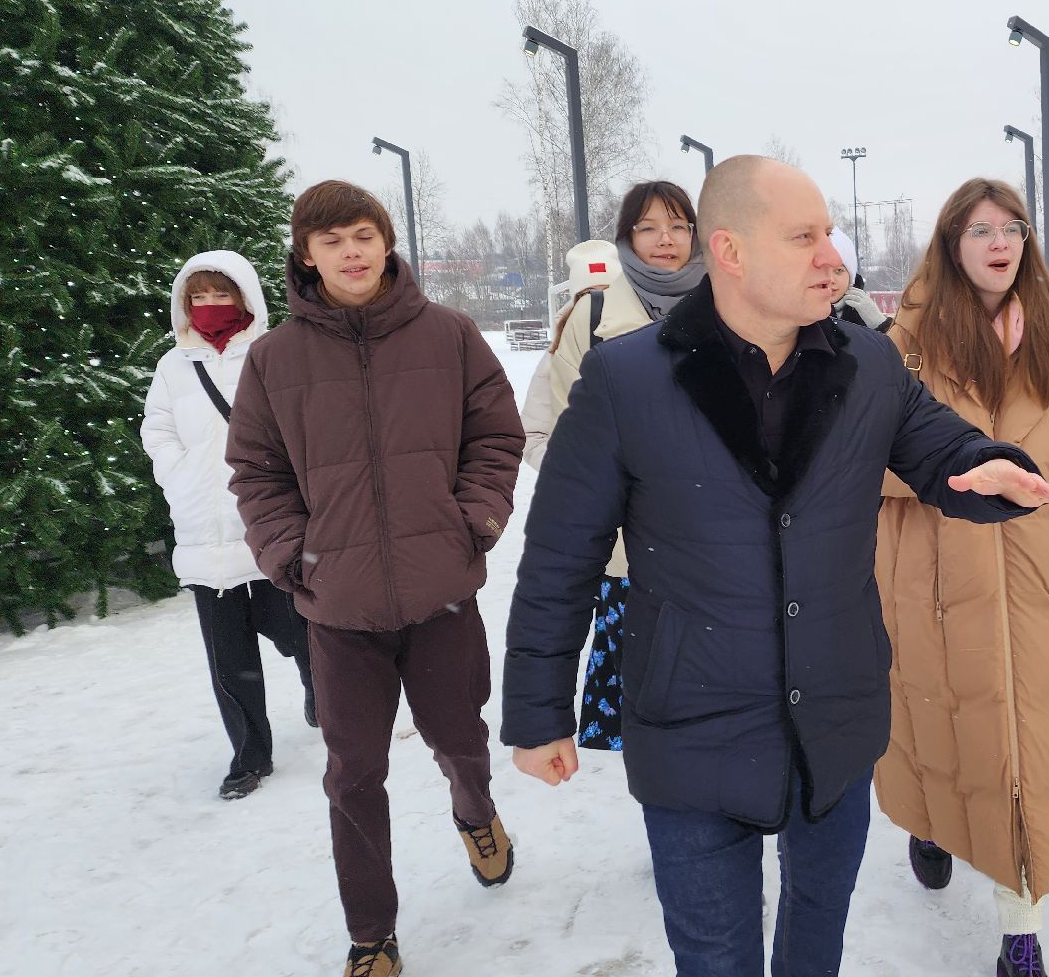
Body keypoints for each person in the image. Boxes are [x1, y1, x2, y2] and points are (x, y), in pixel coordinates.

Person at [501, 156, 1049, 977]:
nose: (831, 258)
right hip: (692, 725)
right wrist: (537, 711)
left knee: (816, 935)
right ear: (730, 252)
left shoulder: (867, 362)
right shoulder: (627, 379)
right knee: (714, 957)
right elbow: (561, 554)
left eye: (828, 234)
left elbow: (940, 446)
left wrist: (989, 467)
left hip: (835, 716)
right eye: (804, 238)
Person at [226, 180, 524, 977]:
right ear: (305, 254)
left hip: (441, 594)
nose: (351, 252)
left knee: (459, 739)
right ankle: (372, 934)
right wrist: (292, 555)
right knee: (354, 774)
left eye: (363, 234)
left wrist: (473, 521)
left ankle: (475, 811)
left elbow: (496, 436)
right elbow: (256, 471)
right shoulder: (274, 359)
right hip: (338, 607)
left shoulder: (450, 335)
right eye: (331, 240)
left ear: (386, 242)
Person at [875, 179, 1049, 976]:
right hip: (936, 566)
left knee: (1028, 745)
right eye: (980, 230)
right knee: (942, 720)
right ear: (952, 243)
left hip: (1036, 564)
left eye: (1012, 228)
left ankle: (1022, 927)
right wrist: (956, 476)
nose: (1000, 243)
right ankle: (931, 821)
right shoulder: (904, 339)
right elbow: (865, 453)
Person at [521, 182, 706, 753]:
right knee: (646, 692)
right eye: (648, 227)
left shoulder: (730, 302)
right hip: (635, 541)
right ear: (627, 237)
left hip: (721, 537)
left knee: (719, 690)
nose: (665, 239)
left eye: (677, 226)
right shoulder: (593, 315)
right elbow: (568, 434)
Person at [141, 250, 314, 801]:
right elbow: (157, 430)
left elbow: (303, 424)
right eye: (199, 296)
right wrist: (179, 475)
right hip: (202, 533)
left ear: (244, 299)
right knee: (229, 662)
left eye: (221, 294)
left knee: (301, 633)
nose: (210, 305)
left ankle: (318, 687)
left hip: (266, 528)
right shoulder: (173, 367)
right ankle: (249, 755)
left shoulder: (272, 355)